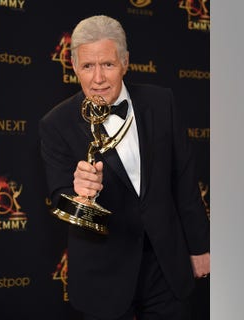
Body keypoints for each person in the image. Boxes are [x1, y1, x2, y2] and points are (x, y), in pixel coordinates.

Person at [39, 15, 209, 320]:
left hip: (166, 265)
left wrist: (200, 247)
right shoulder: (56, 124)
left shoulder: (161, 102)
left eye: (108, 64)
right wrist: (80, 196)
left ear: (126, 62)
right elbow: (59, 201)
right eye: (88, 66)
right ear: (74, 66)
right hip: (104, 275)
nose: (98, 78)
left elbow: (184, 181)